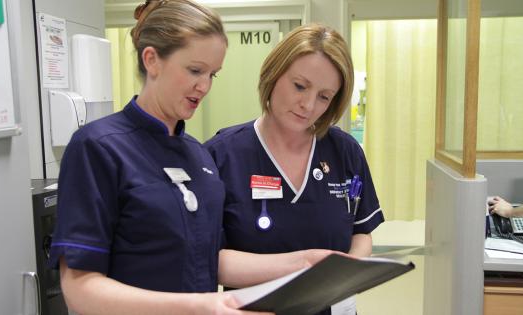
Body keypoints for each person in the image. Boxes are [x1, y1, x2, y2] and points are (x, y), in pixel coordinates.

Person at [48, 2, 331, 314]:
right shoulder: (98, 148)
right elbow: (80, 288)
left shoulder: (200, 157)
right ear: (152, 60)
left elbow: (209, 257)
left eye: (213, 74)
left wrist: (307, 262)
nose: (204, 86)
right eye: (195, 70)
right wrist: (200, 306)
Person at [205, 24, 385, 315]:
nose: (308, 105)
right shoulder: (221, 155)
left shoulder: (345, 152)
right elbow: (209, 259)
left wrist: (345, 275)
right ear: (273, 74)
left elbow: (361, 232)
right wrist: (302, 268)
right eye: (300, 86)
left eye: (324, 96)